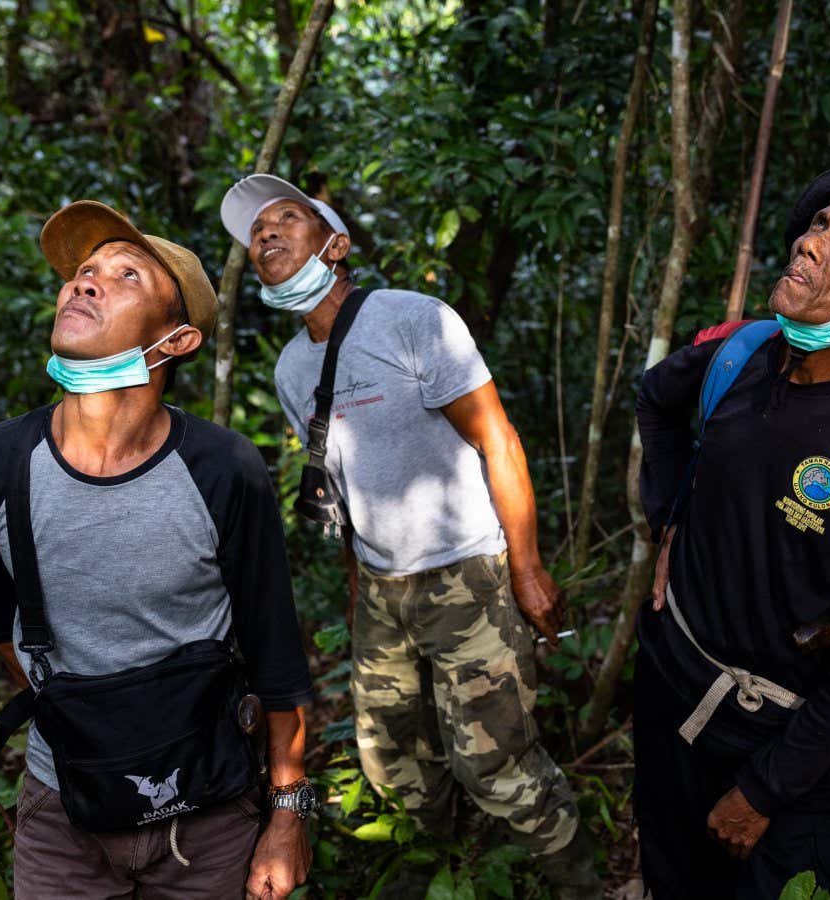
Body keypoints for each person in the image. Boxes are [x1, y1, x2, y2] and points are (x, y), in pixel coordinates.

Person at [219, 175, 601, 898]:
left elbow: (498, 439)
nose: (265, 233)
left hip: (467, 573)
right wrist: (360, 587)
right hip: (381, 589)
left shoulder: (412, 319)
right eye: (256, 231)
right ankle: (438, 867)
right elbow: (337, 484)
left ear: (336, 245)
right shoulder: (291, 368)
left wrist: (526, 569)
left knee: (496, 763)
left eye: (286, 217)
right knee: (391, 758)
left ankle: (581, 884)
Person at [0, 201, 315, 899]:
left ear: (177, 341)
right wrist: (99, 735)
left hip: (211, 815)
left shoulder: (223, 468)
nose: (84, 282)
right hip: (63, 815)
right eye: (83, 271)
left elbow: (276, 657)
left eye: (126, 276)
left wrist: (286, 817)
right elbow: (2, 634)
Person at [633, 165, 830, 899]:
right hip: (670, 695)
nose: (813, 243)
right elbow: (656, 399)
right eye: (817, 224)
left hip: (781, 740)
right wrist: (671, 518)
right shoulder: (734, 352)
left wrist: (767, 789)